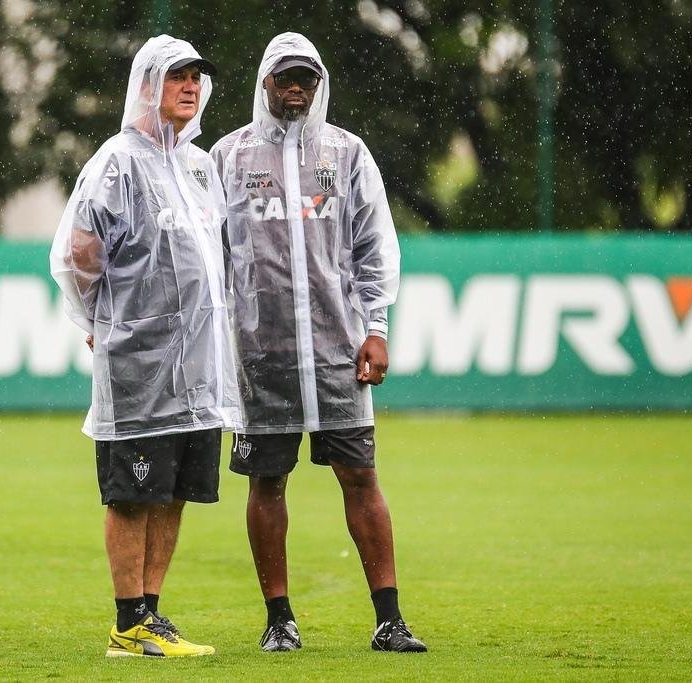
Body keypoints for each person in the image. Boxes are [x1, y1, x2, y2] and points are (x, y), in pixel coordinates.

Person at [210, 32, 427, 654]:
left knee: (360, 476)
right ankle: (279, 619)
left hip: (337, 350)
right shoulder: (227, 156)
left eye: (307, 77)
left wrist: (376, 328)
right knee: (267, 482)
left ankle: (389, 619)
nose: (296, 87)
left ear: (319, 82)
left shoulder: (347, 152)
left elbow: (374, 245)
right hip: (260, 355)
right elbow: (210, 256)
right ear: (265, 82)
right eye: (285, 77)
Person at [50, 35, 239, 658]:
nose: (190, 86)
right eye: (177, 76)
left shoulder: (199, 165)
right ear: (147, 85)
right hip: (139, 364)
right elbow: (78, 252)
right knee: (133, 494)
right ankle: (127, 620)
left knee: (176, 491)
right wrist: (99, 317)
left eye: (196, 77)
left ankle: (150, 614)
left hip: (198, 370)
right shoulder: (118, 161)